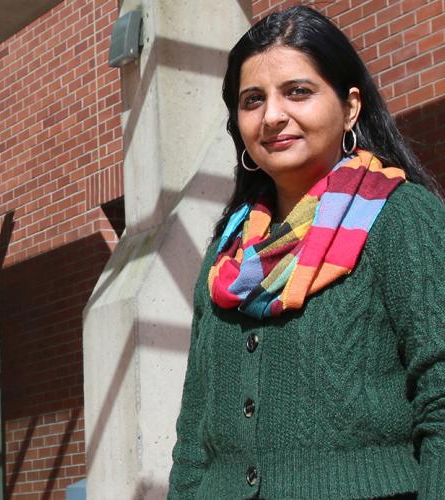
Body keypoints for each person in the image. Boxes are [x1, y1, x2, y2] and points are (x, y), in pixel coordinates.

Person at [168, 5, 445, 500]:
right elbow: (193, 440)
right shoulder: (226, 256)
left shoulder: (402, 220)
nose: (273, 115)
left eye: (298, 91)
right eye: (253, 100)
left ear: (350, 107)